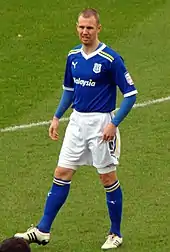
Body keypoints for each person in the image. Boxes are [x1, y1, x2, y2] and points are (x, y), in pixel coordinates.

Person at [14, 8, 137, 249]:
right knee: (61, 172)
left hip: (101, 124)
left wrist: (114, 123)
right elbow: (69, 90)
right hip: (77, 123)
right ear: (76, 27)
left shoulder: (111, 59)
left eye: (89, 27)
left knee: (107, 177)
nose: (84, 32)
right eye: (81, 27)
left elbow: (131, 94)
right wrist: (57, 116)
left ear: (98, 28)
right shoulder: (73, 56)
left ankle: (115, 233)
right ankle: (43, 230)